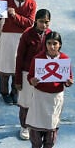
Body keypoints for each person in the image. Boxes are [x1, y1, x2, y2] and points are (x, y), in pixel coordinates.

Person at [27, 31, 74, 148]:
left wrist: (69, 82)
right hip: (40, 96)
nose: (52, 46)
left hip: (55, 98)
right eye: (49, 43)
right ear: (45, 44)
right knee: (36, 124)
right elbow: (30, 76)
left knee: (51, 126)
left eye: (55, 43)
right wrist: (33, 81)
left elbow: (67, 79)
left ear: (60, 45)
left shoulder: (65, 59)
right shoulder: (37, 59)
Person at [0, 0, 35, 101]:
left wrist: (15, 15)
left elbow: (29, 23)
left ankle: (15, 91)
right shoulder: (7, 0)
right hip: (7, 37)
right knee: (5, 65)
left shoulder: (31, 3)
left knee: (17, 65)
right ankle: (4, 93)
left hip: (21, 38)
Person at [15, 8, 51, 140]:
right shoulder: (27, 34)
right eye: (41, 22)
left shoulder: (50, 35)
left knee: (39, 102)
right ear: (35, 20)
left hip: (43, 74)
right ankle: (24, 126)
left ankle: (35, 126)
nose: (44, 25)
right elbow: (19, 57)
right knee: (25, 103)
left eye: (47, 22)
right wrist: (18, 79)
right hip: (26, 73)